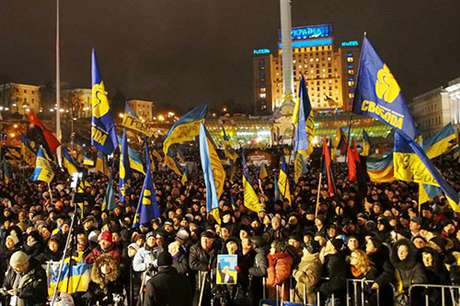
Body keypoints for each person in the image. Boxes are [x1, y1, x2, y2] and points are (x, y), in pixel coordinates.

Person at [390, 238, 427, 306]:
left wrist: (403, 283)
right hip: (395, 297)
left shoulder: (416, 265)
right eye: (399, 251)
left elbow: (421, 279)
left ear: (409, 252)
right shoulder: (393, 265)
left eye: (404, 251)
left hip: (412, 298)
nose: (401, 253)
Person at [293, 239, 322, 305]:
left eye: (305, 249)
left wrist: (297, 274)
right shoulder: (305, 261)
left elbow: (311, 280)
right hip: (301, 295)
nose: (303, 250)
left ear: (309, 251)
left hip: (308, 298)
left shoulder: (313, 264)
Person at [319, 238, 347, 306]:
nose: (325, 246)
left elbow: (337, 282)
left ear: (333, 247)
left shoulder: (336, 261)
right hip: (329, 295)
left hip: (334, 296)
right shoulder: (330, 259)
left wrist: (321, 287)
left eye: (328, 244)